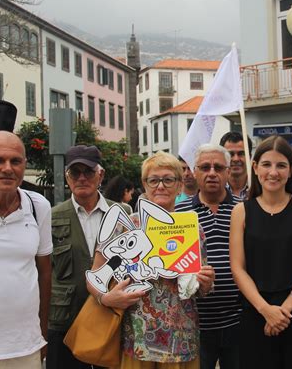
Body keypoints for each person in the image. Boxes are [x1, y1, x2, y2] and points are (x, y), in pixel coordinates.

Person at [87, 151, 215, 368]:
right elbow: (94, 274)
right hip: (136, 339)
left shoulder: (192, 228)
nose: (160, 186)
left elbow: (197, 287)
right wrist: (106, 298)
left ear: (180, 184)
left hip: (181, 341)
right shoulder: (125, 225)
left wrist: (205, 282)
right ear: (144, 184)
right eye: (153, 180)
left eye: (168, 179)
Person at [230, 135, 292, 368]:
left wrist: (284, 311)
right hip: (256, 313)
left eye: (281, 165)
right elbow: (237, 267)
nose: (273, 172)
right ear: (255, 168)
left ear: (291, 170)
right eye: (266, 164)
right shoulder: (241, 211)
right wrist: (266, 310)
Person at [47, 145, 130, 369]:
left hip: (109, 321)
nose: (82, 178)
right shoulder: (51, 217)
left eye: (89, 171)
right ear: (67, 177)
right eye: (75, 172)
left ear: (100, 175)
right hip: (65, 321)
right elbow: (43, 271)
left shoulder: (122, 214)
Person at [0, 131, 52, 368]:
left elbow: (44, 273)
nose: (7, 168)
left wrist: (42, 333)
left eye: (16, 161)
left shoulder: (37, 206)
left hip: (25, 347)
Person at [176, 144, 242, 369]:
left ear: (227, 171)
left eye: (218, 167)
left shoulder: (245, 210)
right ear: (194, 172)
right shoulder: (179, 216)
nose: (212, 172)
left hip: (239, 320)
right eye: (205, 167)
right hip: (195, 323)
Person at [219, 131, 253, 200]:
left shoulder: (260, 189)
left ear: (249, 156)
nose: (236, 159)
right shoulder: (215, 189)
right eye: (230, 154)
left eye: (241, 154)